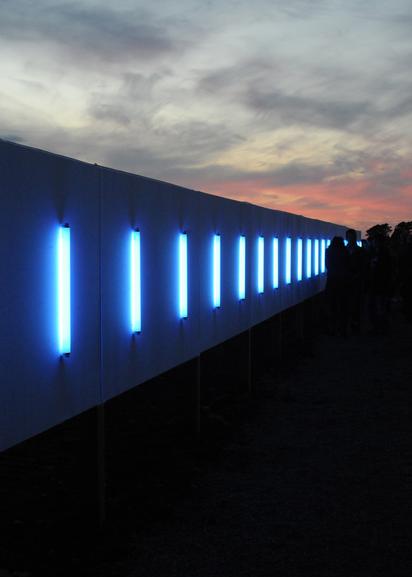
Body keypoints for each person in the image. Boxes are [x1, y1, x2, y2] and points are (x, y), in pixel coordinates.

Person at [325, 236, 349, 335]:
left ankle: (332, 328)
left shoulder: (329, 251)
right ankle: (342, 328)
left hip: (331, 280)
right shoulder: (345, 252)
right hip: (342, 281)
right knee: (342, 305)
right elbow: (348, 265)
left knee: (332, 305)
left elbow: (327, 265)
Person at [345, 229, 366, 334]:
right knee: (347, 303)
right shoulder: (344, 250)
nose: (351, 238)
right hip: (347, 281)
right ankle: (350, 324)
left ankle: (355, 324)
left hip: (356, 281)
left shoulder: (360, 251)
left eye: (352, 236)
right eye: (349, 236)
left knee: (356, 303)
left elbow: (363, 267)